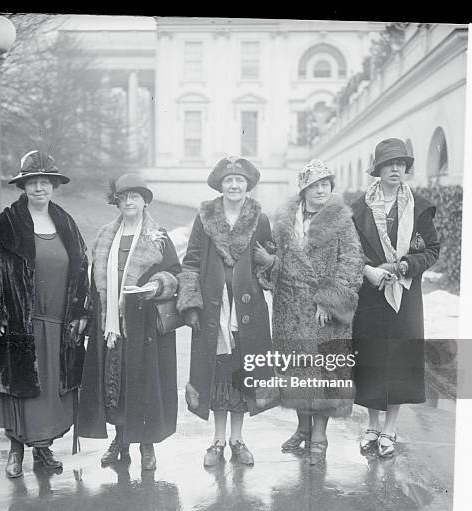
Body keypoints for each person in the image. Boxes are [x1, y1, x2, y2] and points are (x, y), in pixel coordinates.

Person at [0, 150, 91, 478]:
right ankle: (15, 452)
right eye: (33, 183)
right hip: (19, 323)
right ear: (23, 187)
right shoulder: (6, 225)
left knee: (50, 392)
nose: (40, 188)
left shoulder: (66, 222)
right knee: (20, 392)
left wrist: (82, 312)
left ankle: (43, 451)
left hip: (58, 323)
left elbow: (82, 270)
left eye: (46, 182)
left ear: (54, 185)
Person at [254, 159, 364, 465]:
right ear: (303, 190)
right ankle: (302, 430)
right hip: (290, 310)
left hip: (324, 316)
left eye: (325, 185)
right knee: (298, 373)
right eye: (314, 185)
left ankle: (320, 437)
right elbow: (280, 261)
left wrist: (328, 301)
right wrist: (269, 263)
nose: (321, 190)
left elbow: (352, 262)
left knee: (323, 375)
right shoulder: (285, 222)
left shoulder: (342, 222)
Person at [77, 174, 181, 471]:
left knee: (144, 383)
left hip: (145, 324)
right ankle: (121, 439)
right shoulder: (105, 236)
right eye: (124, 197)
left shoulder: (157, 236)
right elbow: (94, 277)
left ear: (145, 200)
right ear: (117, 202)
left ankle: (146, 446)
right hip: (111, 325)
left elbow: (175, 272)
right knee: (116, 384)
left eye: (135, 196)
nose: (129, 201)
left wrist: (158, 285)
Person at [176, 156, 273, 467]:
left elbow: (271, 261)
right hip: (214, 311)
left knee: (243, 374)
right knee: (218, 373)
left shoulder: (259, 219)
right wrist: (191, 303)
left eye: (240, 181)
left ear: (248, 186)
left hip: (249, 312)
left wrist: (268, 263)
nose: (234, 185)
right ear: (220, 186)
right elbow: (190, 261)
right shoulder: (205, 218)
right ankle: (217, 441)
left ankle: (237, 440)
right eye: (228, 181)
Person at [351, 138, 439, 457]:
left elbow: (431, 250)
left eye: (401, 164)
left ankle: (390, 428)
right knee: (372, 359)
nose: (396, 169)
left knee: (400, 361)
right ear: (378, 169)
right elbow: (349, 253)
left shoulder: (421, 207)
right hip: (371, 294)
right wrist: (369, 271)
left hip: (405, 294)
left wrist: (405, 265)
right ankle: (372, 425)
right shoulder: (359, 209)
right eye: (389, 163)